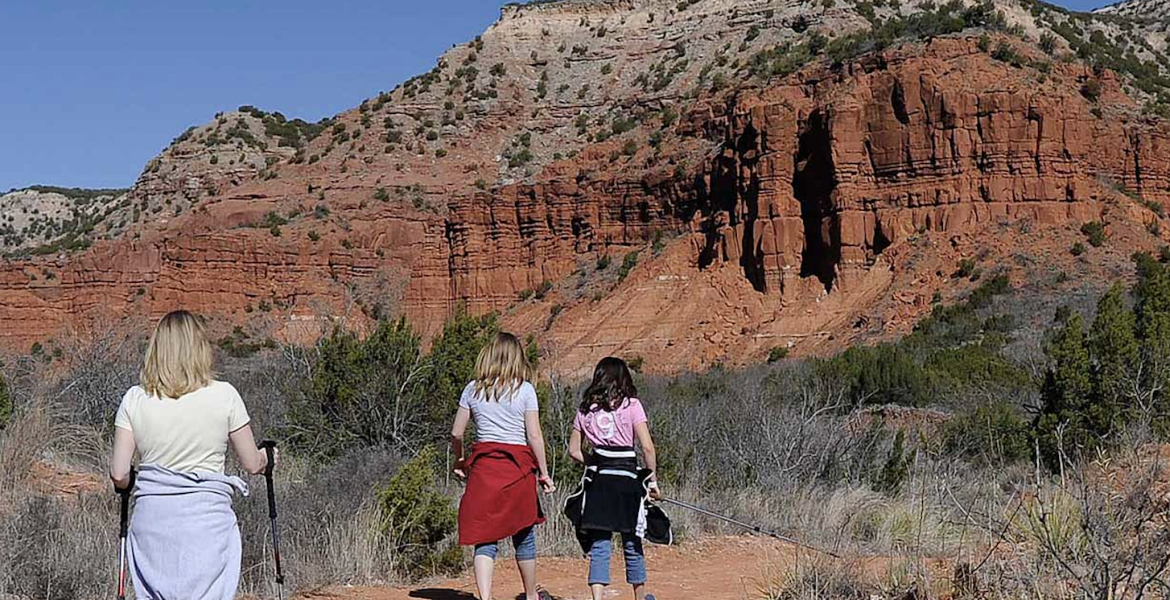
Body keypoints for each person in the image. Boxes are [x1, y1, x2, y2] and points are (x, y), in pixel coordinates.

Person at [109, 310, 272, 600]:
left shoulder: (135, 398)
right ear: (200, 347)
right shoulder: (225, 395)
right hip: (207, 523)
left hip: (153, 524)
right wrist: (267, 457)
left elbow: (120, 474)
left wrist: (131, 481)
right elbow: (252, 463)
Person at [451, 331, 555, 600]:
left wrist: (459, 460)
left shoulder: (472, 389)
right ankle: (531, 595)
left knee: (486, 537)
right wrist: (543, 473)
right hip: (518, 470)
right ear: (517, 357)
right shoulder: (525, 390)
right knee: (524, 534)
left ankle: (485, 598)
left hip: (485, 470)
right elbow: (534, 436)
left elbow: (457, 433)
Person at [566, 357, 661, 600]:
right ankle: (640, 597)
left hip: (599, 484)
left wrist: (596, 463)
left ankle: (598, 598)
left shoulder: (585, 409)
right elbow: (647, 448)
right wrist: (652, 481)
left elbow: (574, 451)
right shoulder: (632, 405)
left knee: (600, 544)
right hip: (628, 481)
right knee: (632, 542)